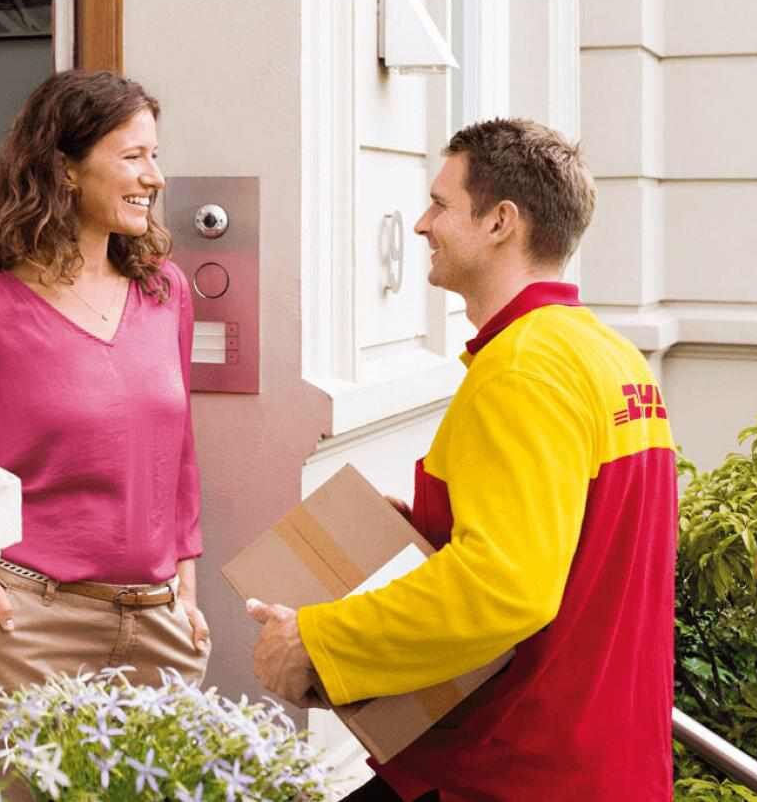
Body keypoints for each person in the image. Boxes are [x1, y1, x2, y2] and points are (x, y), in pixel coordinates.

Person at [247, 119, 676, 801]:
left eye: (441, 204)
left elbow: (505, 585)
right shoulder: (608, 356)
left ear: (501, 221)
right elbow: (580, 543)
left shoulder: (522, 370)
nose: (421, 224)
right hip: (600, 758)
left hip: (514, 768)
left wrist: (317, 638)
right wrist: (428, 531)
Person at [0, 69, 210, 692]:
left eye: (154, 157)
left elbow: (178, 455)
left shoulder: (166, 292)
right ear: (66, 170)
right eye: (133, 157)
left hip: (158, 625)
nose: (154, 177)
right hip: (30, 629)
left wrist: (186, 585)